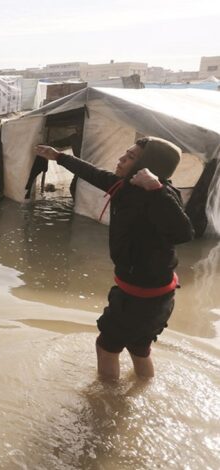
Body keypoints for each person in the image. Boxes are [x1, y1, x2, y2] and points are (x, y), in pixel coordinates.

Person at [35, 137, 193, 380]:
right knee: (139, 348)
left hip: (142, 298)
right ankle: (141, 388)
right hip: (152, 293)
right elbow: (94, 174)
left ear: (148, 167)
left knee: (106, 346)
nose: (121, 159)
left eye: (130, 157)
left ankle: (104, 409)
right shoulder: (126, 186)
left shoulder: (161, 195)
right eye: (125, 153)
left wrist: (155, 189)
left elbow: (184, 233)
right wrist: (59, 157)